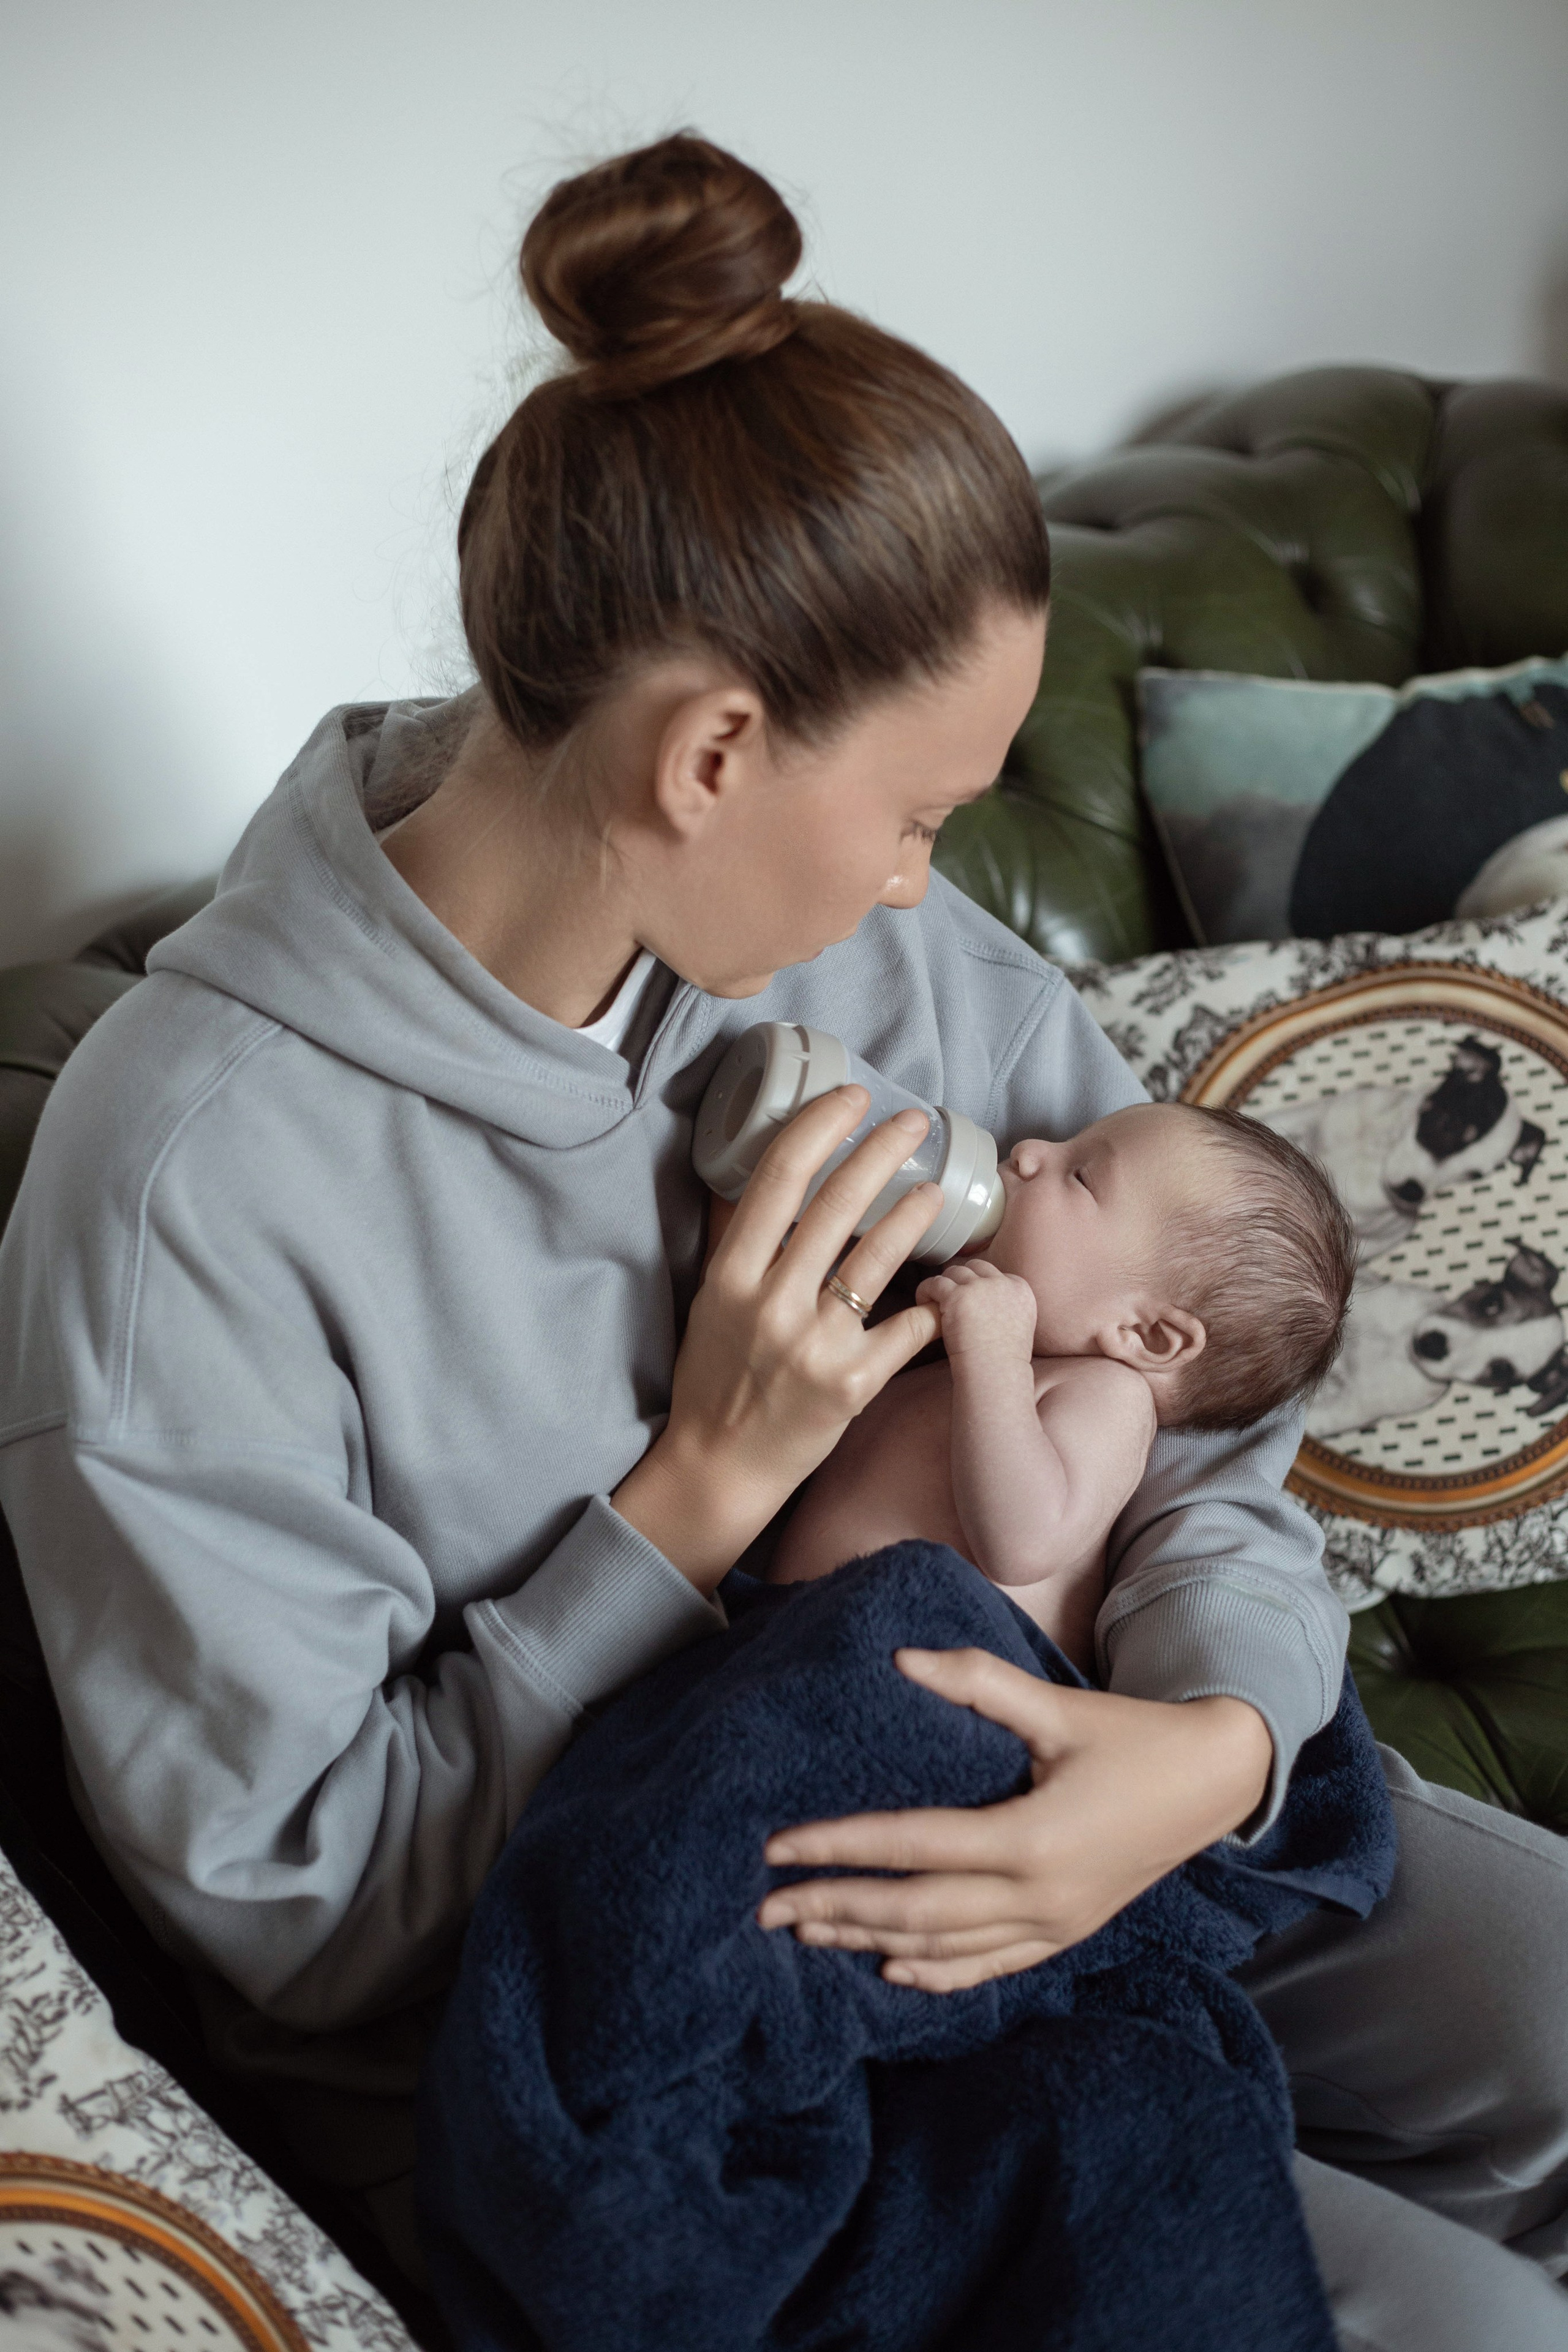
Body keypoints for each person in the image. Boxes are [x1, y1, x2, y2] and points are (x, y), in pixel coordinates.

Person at [0, 133, 1562, 2350]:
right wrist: (690, 1500)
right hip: (671, 1996)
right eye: (916, 815)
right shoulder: (187, 1196)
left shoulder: (874, 988)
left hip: (1064, 1762)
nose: (923, 890)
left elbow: (1186, 1387)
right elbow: (310, 1919)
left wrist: (1207, 1739)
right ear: (713, 753)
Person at [771, 1101, 1355, 1675]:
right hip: (792, 1643)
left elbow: (1024, 1542)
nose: (1027, 1153)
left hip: (933, 1675)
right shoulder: (945, 1359)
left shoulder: (1108, 1397)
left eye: (1080, 1175)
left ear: (1146, 1336)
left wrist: (992, 1356)